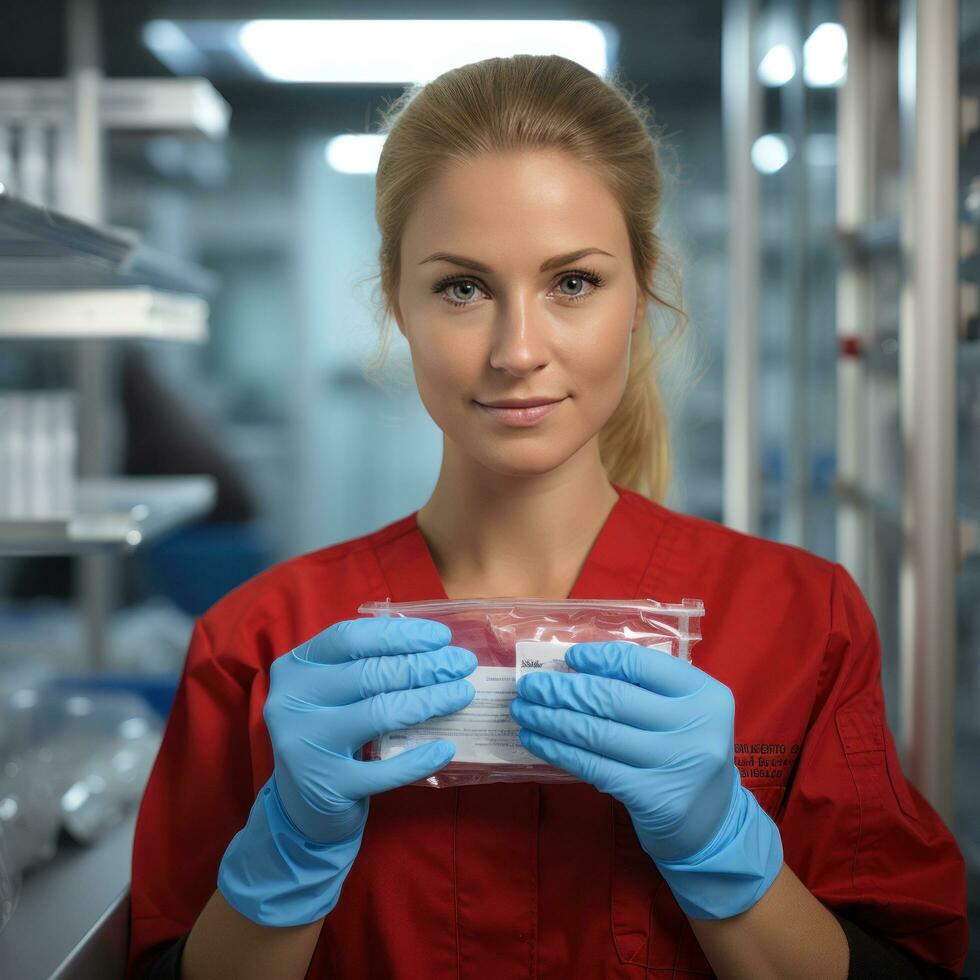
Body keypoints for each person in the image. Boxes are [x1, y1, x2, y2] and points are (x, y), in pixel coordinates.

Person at [125, 54, 968, 979]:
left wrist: (725, 851)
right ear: (397, 299)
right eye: (461, 288)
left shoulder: (801, 622)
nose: (518, 350)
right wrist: (284, 859)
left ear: (641, 294)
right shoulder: (258, 645)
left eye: (573, 283)